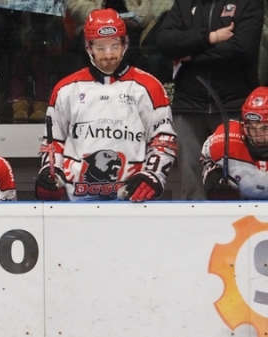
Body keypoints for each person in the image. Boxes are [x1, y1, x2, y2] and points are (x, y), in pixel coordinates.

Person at [34, 8, 177, 202]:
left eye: (114, 46)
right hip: (76, 200)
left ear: (125, 44)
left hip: (132, 198)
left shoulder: (150, 87)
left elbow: (163, 140)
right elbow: (52, 142)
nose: (108, 54)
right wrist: (50, 174)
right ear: (89, 47)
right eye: (101, 48)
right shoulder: (66, 89)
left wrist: (153, 175)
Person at [156, 0, 263, 200]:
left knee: (238, 184)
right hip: (188, 108)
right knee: (192, 189)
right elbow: (164, 42)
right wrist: (210, 37)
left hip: (233, 106)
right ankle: (194, 232)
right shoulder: (184, 4)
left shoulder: (249, 3)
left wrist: (191, 57)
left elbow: (242, 48)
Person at [199, 86, 268, 200]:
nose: (258, 136)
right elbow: (206, 158)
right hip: (239, 211)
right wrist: (213, 177)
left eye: (265, 128)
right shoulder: (225, 138)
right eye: (252, 128)